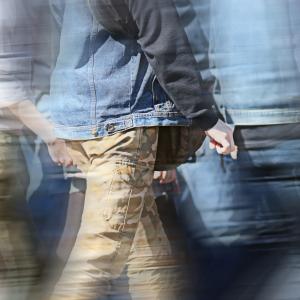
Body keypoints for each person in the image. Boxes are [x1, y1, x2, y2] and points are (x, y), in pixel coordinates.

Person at [39, 0, 236, 299]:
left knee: (148, 251)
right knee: (98, 257)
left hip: (82, 117)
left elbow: (54, 31)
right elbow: (161, 34)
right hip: (121, 122)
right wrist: (205, 116)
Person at [174, 0, 300, 299]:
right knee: (239, 257)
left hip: (238, 125)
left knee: (237, 256)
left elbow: (190, 43)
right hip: (250, 128)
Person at [0, 1, 72, 299]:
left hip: (21, 132)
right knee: (19, 263)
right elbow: (7, 91)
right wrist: (52, 135)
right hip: (11, 138)